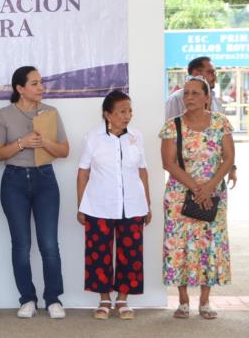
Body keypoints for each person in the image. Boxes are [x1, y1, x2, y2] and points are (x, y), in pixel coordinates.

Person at [0, 66, 68, 319]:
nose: (41, 87)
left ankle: (53, 299)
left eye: (41, 82)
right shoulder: (4, 114)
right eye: (35, 83)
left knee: (49, 244)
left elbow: (64, 151)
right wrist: (22, 143)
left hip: (45, 179)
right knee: (21, 244)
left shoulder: (51, 113)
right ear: (20, 88)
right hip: (14, 181)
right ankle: (27, 299)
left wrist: (44, 141)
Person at [159, 75, 234, 320]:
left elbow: (228, 158)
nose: (189, 97)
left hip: (212, 194)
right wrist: (196, 188)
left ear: (206, 97)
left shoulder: (221, 122)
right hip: (181, 195)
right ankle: (182, 301)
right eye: (186, 93)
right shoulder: (173, 125)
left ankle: (205, 301)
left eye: (194, 93)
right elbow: (168, 163)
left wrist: (209, 186)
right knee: (180, 246)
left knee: (209, 246)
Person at [76, 90, 151, 320]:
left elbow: (142, 171)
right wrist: (81, 206)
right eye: (121, 111)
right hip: (99, 205)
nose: (127, 115)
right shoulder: (93, 137)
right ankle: (104, 299)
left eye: (129, 110)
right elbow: (83, 172)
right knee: (99, 254)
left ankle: (123, 299)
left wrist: (147, 204)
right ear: (107, 114)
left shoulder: (136, 136)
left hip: (132, 205)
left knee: (130, 254)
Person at [164, 56, 222, 120]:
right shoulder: (176, 99)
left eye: (215, 73)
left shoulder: (215, 100)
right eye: (210, 72)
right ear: (196, 74)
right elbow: (170, 127)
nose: (214, 76)